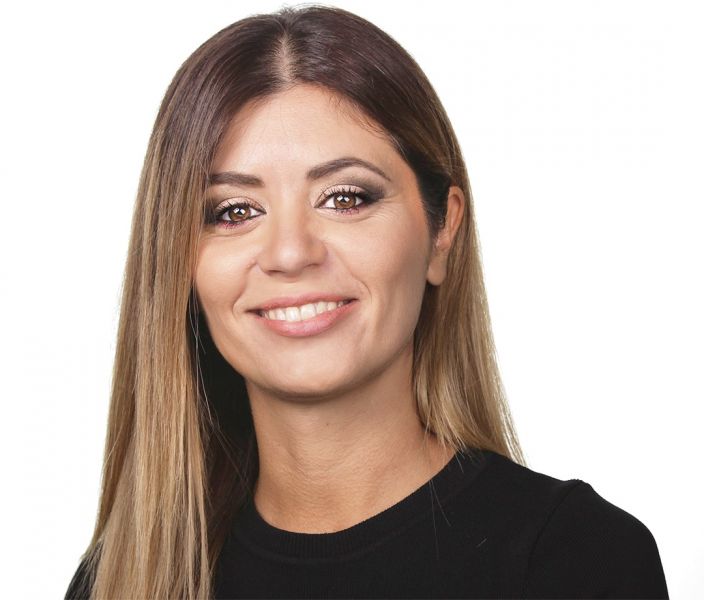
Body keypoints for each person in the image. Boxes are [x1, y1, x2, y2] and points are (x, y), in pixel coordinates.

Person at [64, 5, 668, 599]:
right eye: (235, 211)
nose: (290, 253)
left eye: (345, 198)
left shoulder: (578, 560)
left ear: (442, 231)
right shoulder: (115, 582)